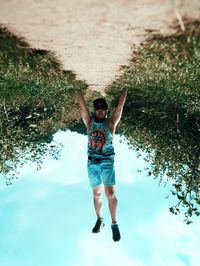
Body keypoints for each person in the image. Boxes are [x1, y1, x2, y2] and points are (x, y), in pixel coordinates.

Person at [77, 88, 127, 242]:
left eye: (102, 108)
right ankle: (100, 220)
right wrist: (77, 89)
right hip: (92, 163)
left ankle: (114, 224)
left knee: (110, 194)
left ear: (106, 111)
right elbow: (82, 107)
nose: (99, 111)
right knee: (96, 194)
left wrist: (125, 88)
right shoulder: (89, 123)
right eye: (97, 108)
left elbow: (120, 107)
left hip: (106, 162)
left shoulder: (111, 123)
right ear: (95, 110)